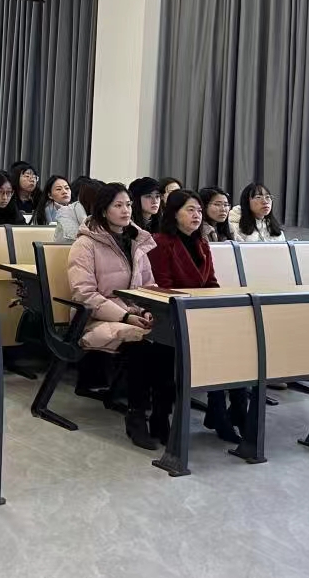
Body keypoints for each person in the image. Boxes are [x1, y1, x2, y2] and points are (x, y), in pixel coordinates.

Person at [67, 181, 172, 451]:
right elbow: (85, 295)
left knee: (168, 341)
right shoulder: (85, 244)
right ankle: (136, 416)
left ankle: (161, 416)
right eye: (118, 205)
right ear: (103, 210)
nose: (126, 210)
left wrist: (147, 310)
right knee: (142, 343)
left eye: (128, 204)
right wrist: (126, 317)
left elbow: (149, 286)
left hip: (133, 314)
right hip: (93, 319)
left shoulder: (137, 240)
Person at [148, 190, 246, 443]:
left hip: (199, 314)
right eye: (190, 210)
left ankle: (224, 411)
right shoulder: (160, 242)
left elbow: (211, 282)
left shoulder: (201, 243)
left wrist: (217, 308)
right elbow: (163, 286)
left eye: (199, 211)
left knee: (237, 340)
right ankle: (160, 417)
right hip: (170, 314)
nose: (197, 215)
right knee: (167, 358)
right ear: (174, 213)